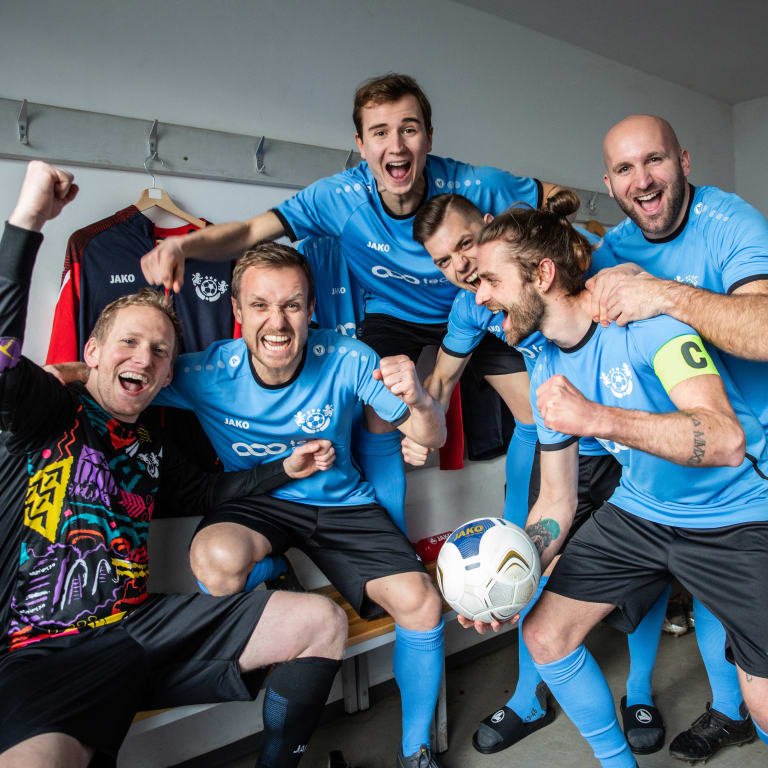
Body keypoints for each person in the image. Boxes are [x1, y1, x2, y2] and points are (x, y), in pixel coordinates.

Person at [0, 161, 348, 768]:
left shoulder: (153, 442)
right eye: (129, 342)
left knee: (321, 621)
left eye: (160, 351)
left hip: (144, 630)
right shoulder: (51, 411)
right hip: (44, 653)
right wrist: (28, 220)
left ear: (168, 376)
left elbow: (209, 492)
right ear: (92, 352)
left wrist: (284, 470)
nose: (145, 357)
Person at [140, 72, 556, 547]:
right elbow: (251, 231)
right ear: (361, 144)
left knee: (533, 413)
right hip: (393, 313)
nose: (396, 146)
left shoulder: (476, 184)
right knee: (380, 415)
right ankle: (393, 548)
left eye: (409, 129)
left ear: (428, 136)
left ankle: (519, 541)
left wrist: (602, 272)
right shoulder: (339, 197)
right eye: (380, 132)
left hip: (473, 304)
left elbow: (557, 204)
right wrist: (186, 247)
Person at [471, 194, 768, 768]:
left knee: (763, 706)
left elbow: (725, 438)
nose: (479, 295)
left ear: (542, 274)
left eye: (490, 280)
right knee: (544, 634)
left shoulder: (649, 326)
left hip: (735, 513)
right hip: (643, 510)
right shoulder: (546, 364)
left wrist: (597, 418)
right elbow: (556, 500)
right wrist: (508, 577)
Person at [149, 242, 449, 768]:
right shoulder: (205, 372)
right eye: (260, 305)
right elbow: (126, 382)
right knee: (215, 561)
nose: (277, 322)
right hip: (258, 502)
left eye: (291, 305)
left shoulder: (349, 358)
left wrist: (421, 400)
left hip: (342, 505)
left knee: (421, 602)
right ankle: (273, 569)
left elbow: (432, 436)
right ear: (237, 311)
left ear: (311, 309)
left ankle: (415, 750)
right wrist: (73, 376)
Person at [407, 192, 640, 755]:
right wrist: (416, 419)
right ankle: (530, 695)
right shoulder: (478, 309)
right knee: (527, 558)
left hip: (630, 444)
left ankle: (640, 693)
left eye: (467, 247)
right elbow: (440, 383)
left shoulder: (603, 289)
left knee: (645, 572)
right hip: (556, 438)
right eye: (444, 261)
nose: (463, 270)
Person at [586, 114, 768, 761]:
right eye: (625, 169)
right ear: (609, 182)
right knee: (709, 593)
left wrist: (663, 294)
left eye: (654, 160)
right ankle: (729, 712)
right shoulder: (609, 252)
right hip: (687, 460)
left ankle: (742, 710)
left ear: (683, 161)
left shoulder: (730, 222)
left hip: (756, 457)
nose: (643, 180)